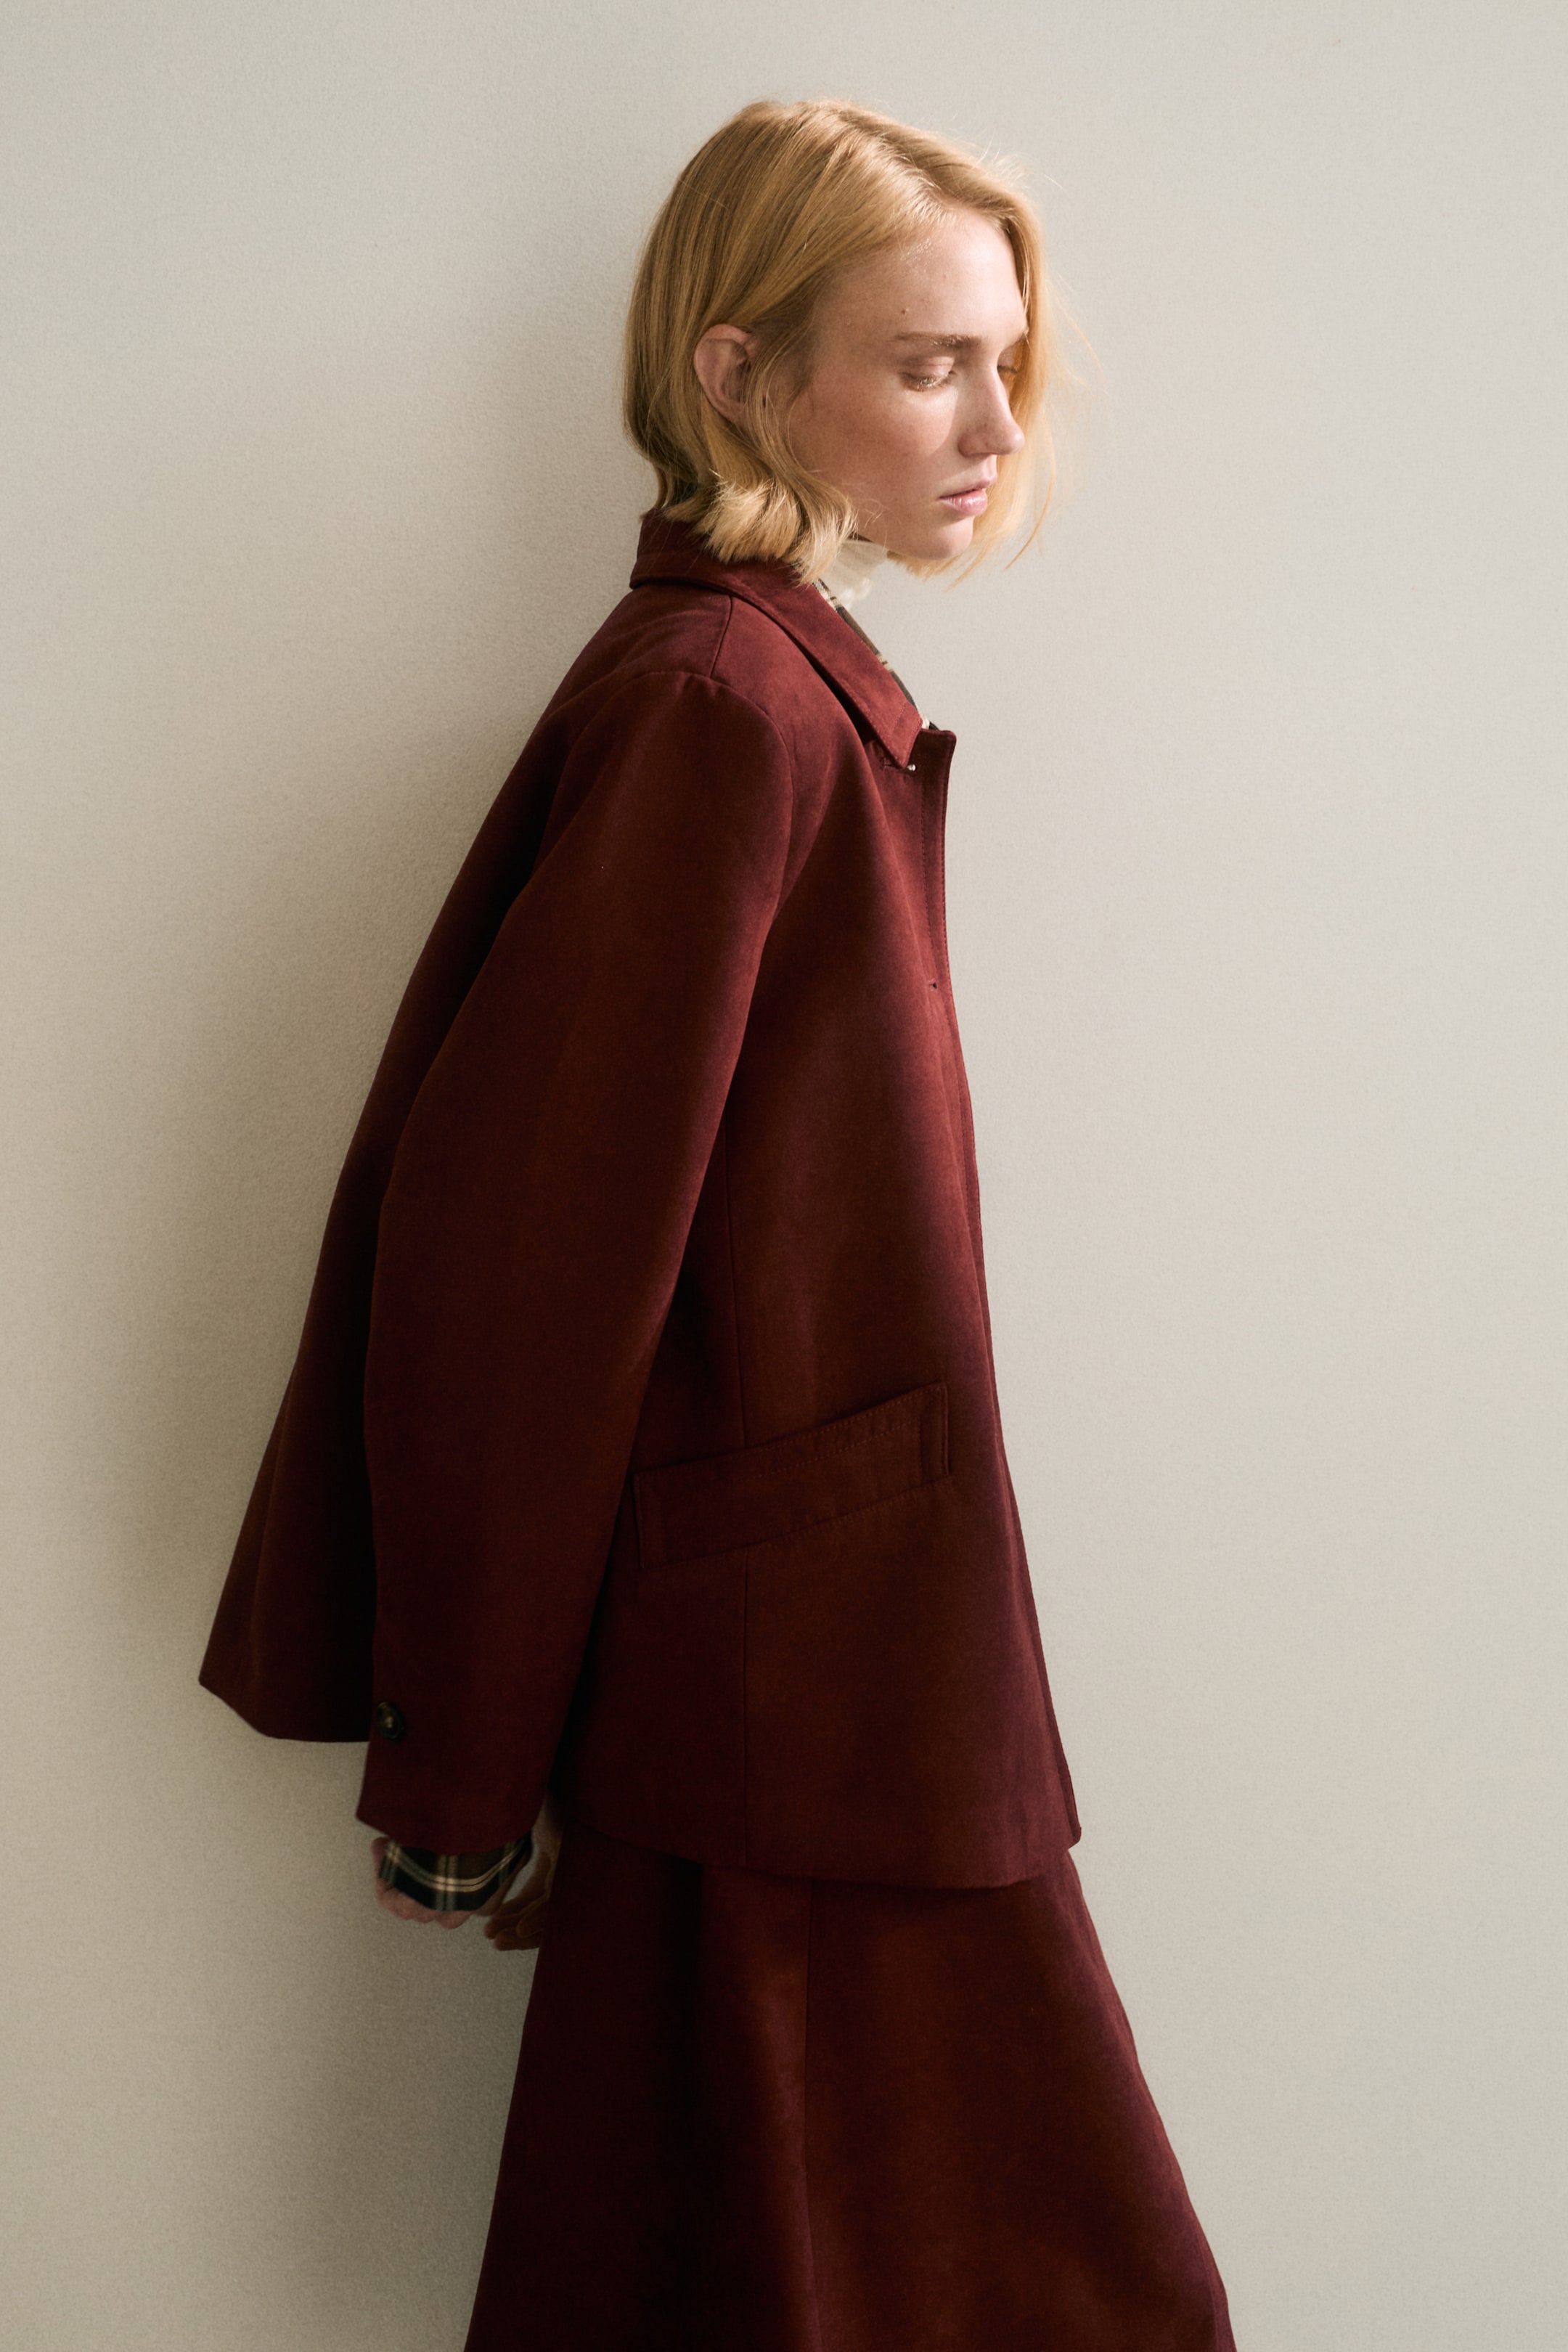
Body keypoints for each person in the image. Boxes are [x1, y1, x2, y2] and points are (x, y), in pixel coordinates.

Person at [200, 95, 1238, 2351]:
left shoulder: (780, 693)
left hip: (826, 1679)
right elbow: (527, 1280)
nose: (996, 426)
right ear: (739, 374)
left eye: (1005, 362)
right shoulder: (719, 712)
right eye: (929, 364)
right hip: (786, 1708)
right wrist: (461, 1767)